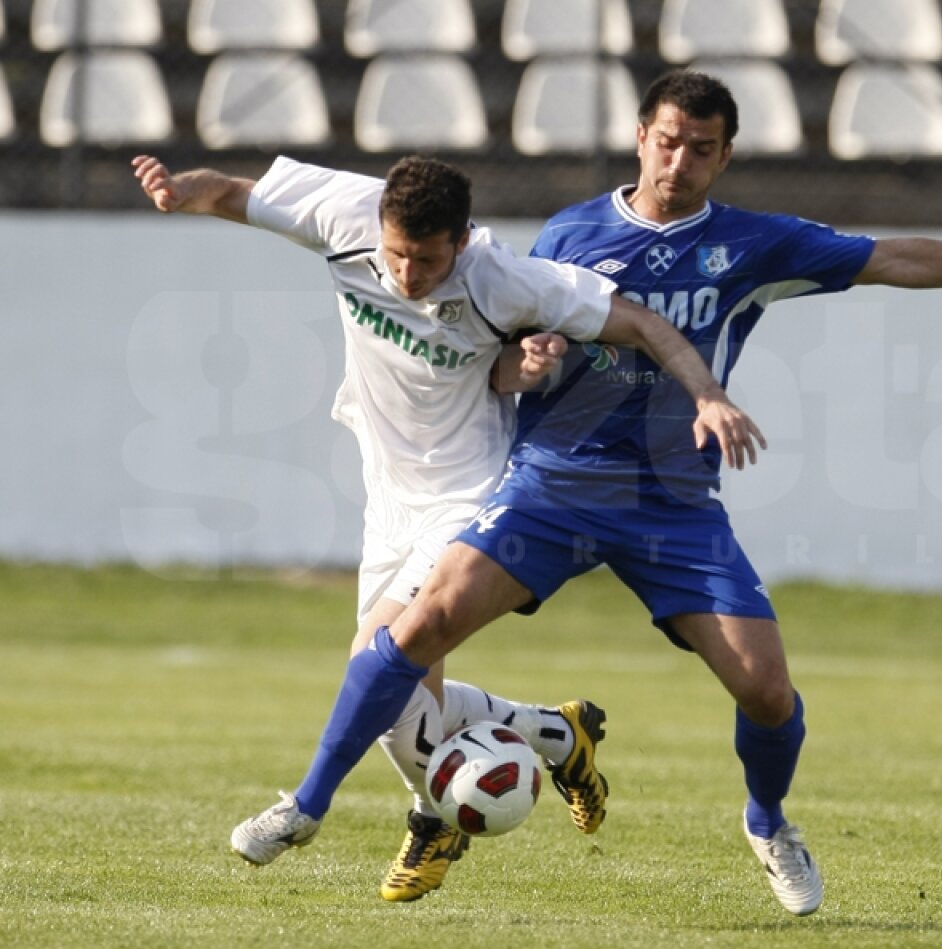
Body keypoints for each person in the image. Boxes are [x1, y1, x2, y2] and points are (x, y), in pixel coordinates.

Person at [209, 67, 942, 918]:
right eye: (668, 142)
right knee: (417, 628)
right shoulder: (564, 238)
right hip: (552, 487)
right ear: (641, 138)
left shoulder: (755, 244)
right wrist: (529, 363)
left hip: (673, 504)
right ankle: (309, 806)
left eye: (701, 149)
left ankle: (767, 821)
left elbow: (891, 257)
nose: (679, 163)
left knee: (767, 692)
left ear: (724, 157)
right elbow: (498, 366)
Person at [130, 151, 764, 901]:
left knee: (381, 659)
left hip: (469, 491)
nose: (405, 273)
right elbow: (236, 193)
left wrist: (704, 394)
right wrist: (183, 193)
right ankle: (554, 736)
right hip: (388, 494)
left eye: (427, 259)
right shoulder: (346, 212)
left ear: (461, 240)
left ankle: (318, 809)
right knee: (399, 696)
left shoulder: (503, 278)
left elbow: (643, 322)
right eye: (396, 254)